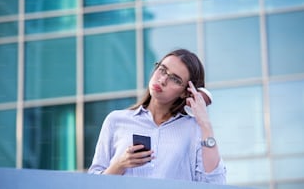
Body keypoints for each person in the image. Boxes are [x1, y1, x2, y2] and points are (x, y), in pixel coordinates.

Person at [88, 49, 226, 184]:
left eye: (175, 79)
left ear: (186, 93)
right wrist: (119, 164)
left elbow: (216, 183)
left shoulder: (195, 129)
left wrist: (205, 124)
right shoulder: (116, 120)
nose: (163, 79)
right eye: (162, 69)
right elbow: (92, 184)